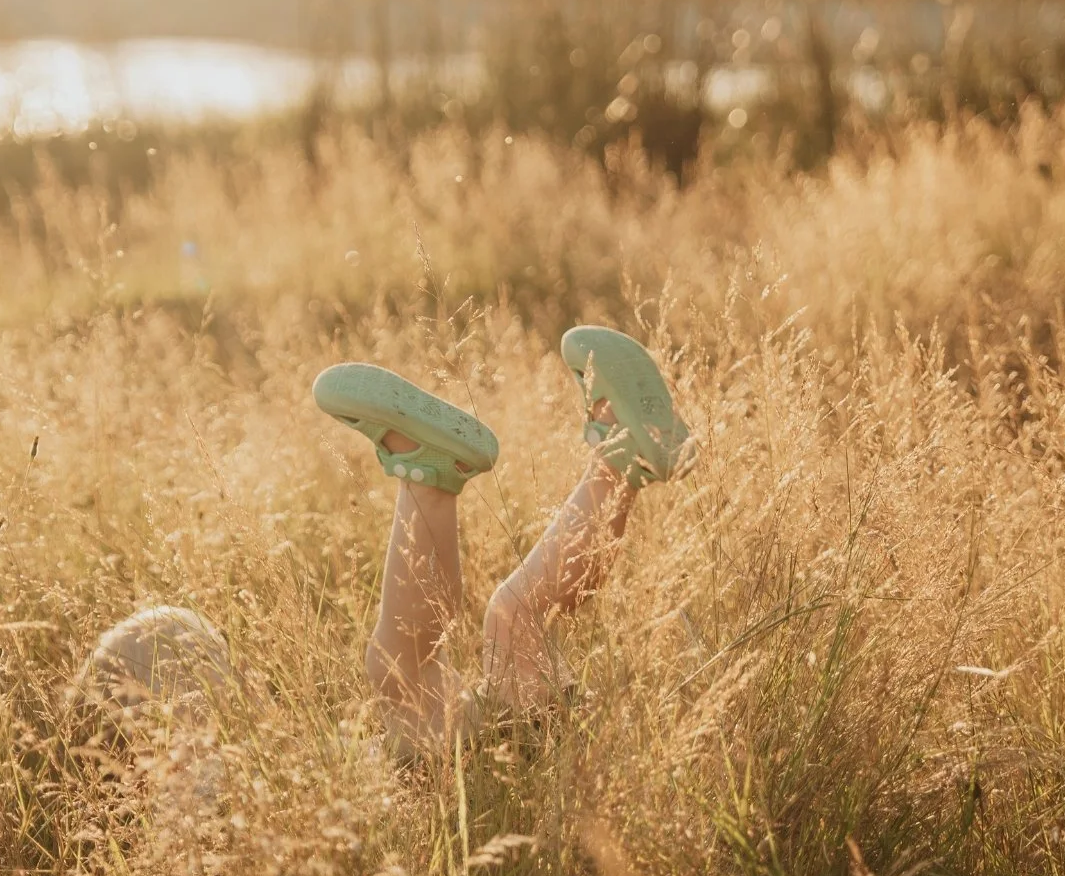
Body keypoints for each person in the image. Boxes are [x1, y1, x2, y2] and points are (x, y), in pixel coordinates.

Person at [87, 325, 690, 759]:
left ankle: (618, 462)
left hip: (507, 745)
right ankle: (431, 474)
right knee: (404, 669)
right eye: (212, 666)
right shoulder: (213, 788)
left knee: (514, 617)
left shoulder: (266, 769)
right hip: (459, 760)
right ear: (160, 724)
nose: (246, 676)